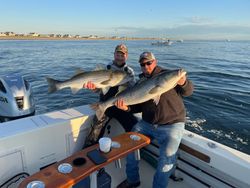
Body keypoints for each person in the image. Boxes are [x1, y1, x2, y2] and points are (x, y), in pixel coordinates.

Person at [115, 51, 194, 188]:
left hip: (172, 124)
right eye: (142, 64)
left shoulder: (168, 75)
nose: (146, 66)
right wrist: (126, 108)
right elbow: (138, 107)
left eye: (148, 63)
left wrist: (183, 82)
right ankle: (133, 180)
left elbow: (188, 91)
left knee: (167, 157)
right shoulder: (140, 81)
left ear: (155, 62)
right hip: (147, 124)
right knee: (129, 145)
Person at [83, 44, 138, 147]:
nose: (120, 57)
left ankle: (131, 150)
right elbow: (98, 90)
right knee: (94, 131)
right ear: (114, 55)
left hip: (121, 106)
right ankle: (88, 152)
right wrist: (93, 87)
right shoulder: (105, 69)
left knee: (134, 126)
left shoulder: (130, 72)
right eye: (118, 54)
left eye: (123, 55)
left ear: (127, 56)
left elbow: (133, 90)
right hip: (105, 105)